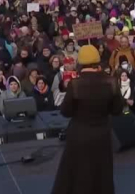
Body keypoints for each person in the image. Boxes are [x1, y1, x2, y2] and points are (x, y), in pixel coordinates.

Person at [52, 45, 124, 194]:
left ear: (80, 62)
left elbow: (65, 111)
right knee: (102, 173)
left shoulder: (76, 84)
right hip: (102, 134)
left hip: (79, 134)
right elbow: (117, 110)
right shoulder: (111, 82)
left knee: (77, 173)